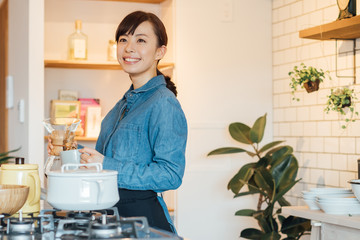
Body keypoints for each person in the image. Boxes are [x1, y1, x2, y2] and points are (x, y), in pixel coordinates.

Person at [48, 11, 187, 233]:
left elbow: (170, 175)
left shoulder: (163, 103)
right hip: (111, 217)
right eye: (123, 39)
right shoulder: (123, 103)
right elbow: (107, 159)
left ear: (160, 51)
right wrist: (70, 149)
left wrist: (107, 165)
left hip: (144, 222)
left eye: (140, 40)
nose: (129, 47)